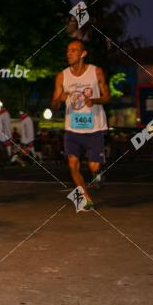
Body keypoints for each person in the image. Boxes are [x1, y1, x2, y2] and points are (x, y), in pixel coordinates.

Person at [51, 40, 109, 210]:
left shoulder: (96, 72)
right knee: (72, 165)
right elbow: (54, 104)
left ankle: (97, 175)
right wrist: (59, 98)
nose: (69, 53)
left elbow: (107, 97)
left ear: (83, 54)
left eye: (74, 50)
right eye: (68, 50)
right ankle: (86, 198)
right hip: (72, 128)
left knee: (94, 166)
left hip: (94, 127)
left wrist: (95, 101)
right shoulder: (62, 76)